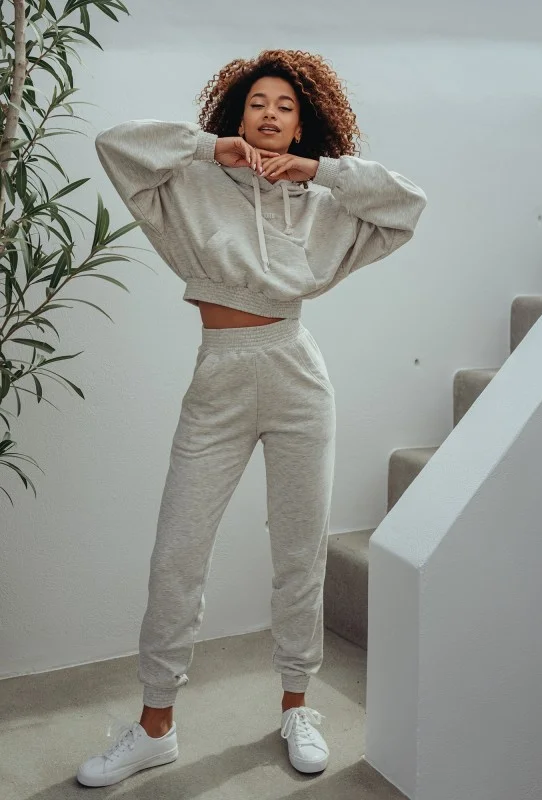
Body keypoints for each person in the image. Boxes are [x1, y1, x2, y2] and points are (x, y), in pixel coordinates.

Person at [77, 48, 427, 787]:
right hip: (219, 376)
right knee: (177, 554)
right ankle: (155, 725)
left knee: (300, 552)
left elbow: (407, 206)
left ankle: (298, 706)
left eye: (285, 107)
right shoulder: (191, 184)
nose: (269, 115)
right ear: (237, 115)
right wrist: (211, 149)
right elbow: (116, 146)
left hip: (297, 374)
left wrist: (321, 172)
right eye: (257, 103)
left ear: (303, 126)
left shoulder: (323, 203)